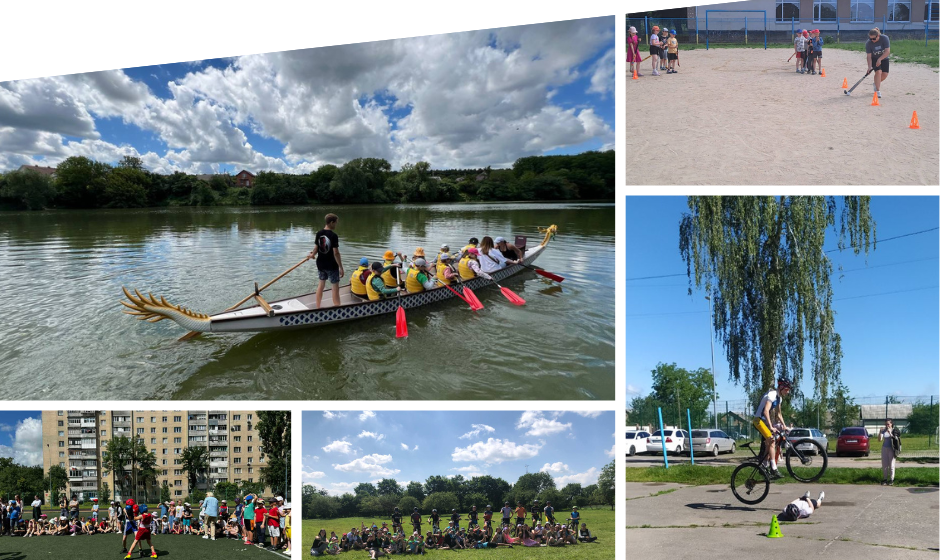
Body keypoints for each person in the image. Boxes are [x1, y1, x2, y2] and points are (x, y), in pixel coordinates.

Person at [752, 376, 792, 479]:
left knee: (770, 442)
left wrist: (784, 426)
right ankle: (773, 468)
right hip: (758, 421)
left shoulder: (779, 398)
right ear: (781, 387)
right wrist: (771, 427)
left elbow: (779, 414)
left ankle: (764, 465)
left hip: (764, 422)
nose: (788, 392)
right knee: (772, 440)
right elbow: (766, 411)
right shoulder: (772, 394)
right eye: (787, 389)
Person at [310, 213, 344, 309]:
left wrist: (312, 254)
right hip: (331, 265)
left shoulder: (319, 233)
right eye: (336, 223)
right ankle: (337, 308)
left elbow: (316, 249)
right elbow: (336, 252)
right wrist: (341, 267)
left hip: (320, 264)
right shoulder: (333, 236)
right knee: (335, 287)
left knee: (321, 284)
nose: (336, 225)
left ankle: (318, 307)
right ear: (331, 222)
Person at [865, 28, 890, 98]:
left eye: (874, 39)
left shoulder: (885, 38)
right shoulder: (868, 43)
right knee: (878, 72)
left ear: (878, 36)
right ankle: (877, 91)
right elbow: (869, 56)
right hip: (874, 59)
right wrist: (869, 67)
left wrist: (880, 59)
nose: (872, 40)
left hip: (884, 58)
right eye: (870, 39)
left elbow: (887, 51)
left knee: (885, 74)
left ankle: (876, 83)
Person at [879, 418, 901, 485]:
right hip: (884, 448)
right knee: (885, 464)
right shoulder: (884, 430)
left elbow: (896, 438)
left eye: (888, 424)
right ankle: (885, 479)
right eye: (885, 424)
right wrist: (880, 432)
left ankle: (891, 479)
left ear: (891, 424)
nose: (887, 425)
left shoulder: (895, 430)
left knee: (891, 464)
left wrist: (890, 432)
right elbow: (880, 440)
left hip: (892, 448)